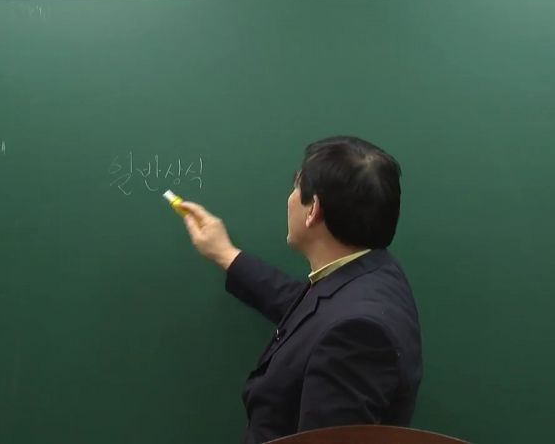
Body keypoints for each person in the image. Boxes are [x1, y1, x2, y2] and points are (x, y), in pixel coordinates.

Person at [179, 136, 422, 444]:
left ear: (313, 209)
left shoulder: (358, 333)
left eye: (296, 186)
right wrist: (226, 255)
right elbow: (311, 309)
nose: (290, 198)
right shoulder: (372, 274)